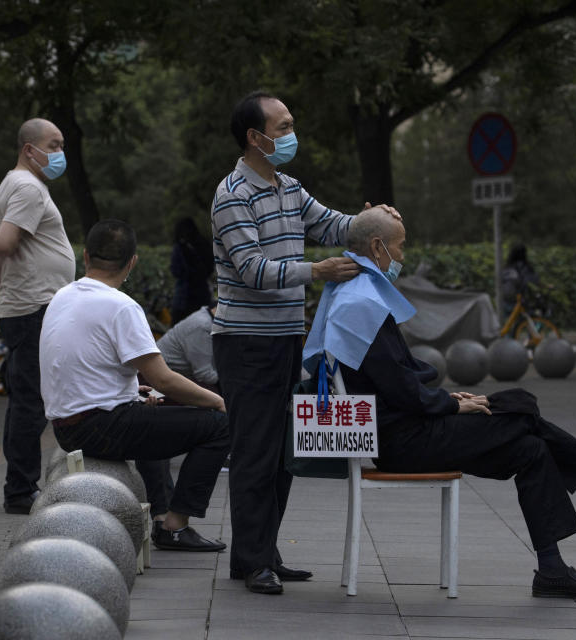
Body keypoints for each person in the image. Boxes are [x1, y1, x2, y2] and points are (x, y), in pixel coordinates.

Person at [303, 207, 576, 599]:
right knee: (520, 409)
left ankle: (553, 568)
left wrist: (447, 398)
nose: (403, 257)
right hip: (400, 440)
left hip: (401, 429)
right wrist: (451, 405)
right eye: (400, 247)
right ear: (377, 247)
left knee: (529, 445)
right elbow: (402, 389)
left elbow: (399, 377)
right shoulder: (361, 303)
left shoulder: (353, 292)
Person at [210, 90, 400, 594]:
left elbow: (331, 225)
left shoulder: (289, 187)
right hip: (245, 342)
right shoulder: (232, 195)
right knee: (254, 450)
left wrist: (369, 221)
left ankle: (263, 553)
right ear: (256, 137)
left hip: (286, 337)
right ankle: (252, 562)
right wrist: (315, 270)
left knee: (281, 454)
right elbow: (251, 270)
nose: (292, 135)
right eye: (284, 126)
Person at [40, 219, 230, 551]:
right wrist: (215, 401)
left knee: (146, 411)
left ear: (85, 257)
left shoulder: (63, 295)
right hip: (98, 426)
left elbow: (84, 364)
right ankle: (176, 524)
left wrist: (131, 392)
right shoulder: (121, 306)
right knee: (219, 426)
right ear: (132, 262)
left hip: (64, 426)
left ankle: (159, 517)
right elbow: (162, 378)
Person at [0, 118, 76, 514]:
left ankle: (19, 485)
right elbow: (3, 243)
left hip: (27, 305)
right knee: (31, 402)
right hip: (35, 307)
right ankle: (20, 490)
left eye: (62, 144)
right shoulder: (27, 187)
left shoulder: (13, 185)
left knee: (25, 398)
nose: (59, 153)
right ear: (28, 149)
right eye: (53, 145)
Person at [137, 303, 221, 522]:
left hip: (170, 383)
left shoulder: (210, 321)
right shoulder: (202, 326)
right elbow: (206, 375)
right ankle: (166, 516)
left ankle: (169, 516)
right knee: (220, 420)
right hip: (157, 385)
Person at [170, 217, 214, 325]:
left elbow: (176, 271)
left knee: (177, 334)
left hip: (184, 298)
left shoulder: (180, 247)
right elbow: (210, 268)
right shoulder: (204, 244)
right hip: (203, 296)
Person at [500, 243, 540, 315]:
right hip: (517, 299)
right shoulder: (523, 266)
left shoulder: (507, 266)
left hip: (503, 299)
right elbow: (533, 280)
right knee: (529, 314)